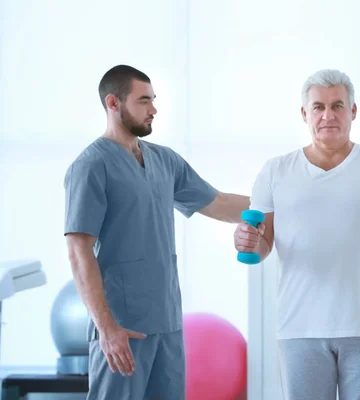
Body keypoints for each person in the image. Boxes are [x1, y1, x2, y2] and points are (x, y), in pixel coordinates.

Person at [233, 69, 360, 400]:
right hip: (300, 325)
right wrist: (246, 241)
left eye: (338, 105)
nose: (328, 115)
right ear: (304, 114)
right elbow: (263, 242)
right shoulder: (275, 171)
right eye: (318, 107)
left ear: (353, 111)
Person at [64, 64, 249, 400]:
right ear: (114, 103)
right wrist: (107, 330)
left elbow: (218, 203)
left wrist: (279, 205)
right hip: (123, 330)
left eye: (153, 100)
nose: (154, 109)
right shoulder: (91, 166)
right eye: (143, 101)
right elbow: (78, 251)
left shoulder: (165, 161)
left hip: (167, 326)